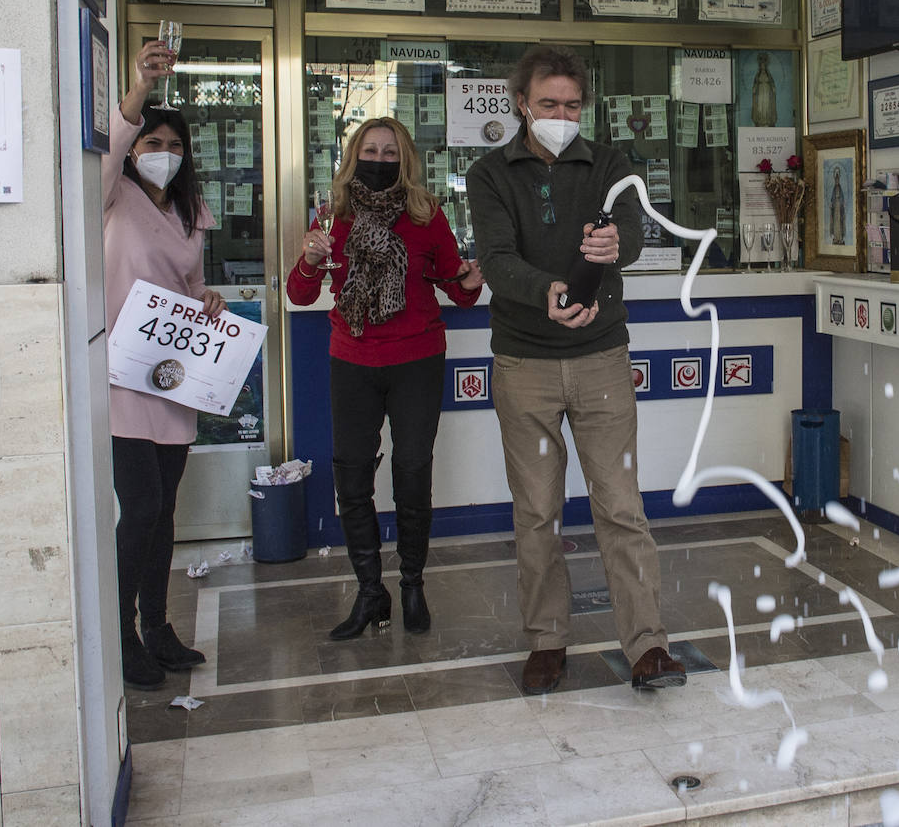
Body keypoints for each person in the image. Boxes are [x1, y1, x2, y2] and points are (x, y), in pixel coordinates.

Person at [467, 45, 686, 695]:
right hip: (525, 365)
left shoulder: (608, 163)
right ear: (521, 104)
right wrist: (549, 293)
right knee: (537, 512)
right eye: (547, 105)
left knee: (620, 507)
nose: (560, 116)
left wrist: (617, 242)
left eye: (570, 105)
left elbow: (632, 227)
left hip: (601, 364)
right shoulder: (489, 174)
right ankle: (547, 641)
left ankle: (647, 646)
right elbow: (497, 260)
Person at [288, 117, 483, 640]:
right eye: (371, 151)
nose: (380, 160)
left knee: (413, 471)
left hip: (417, 358)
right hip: (351, 358)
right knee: (352, 477)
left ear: (406, 161)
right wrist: (309, 261)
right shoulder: (333, 218)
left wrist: (470, 279)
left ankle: (413, 584)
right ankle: (371, 593)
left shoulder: (427, 215)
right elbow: (300, 295)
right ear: (354, 157)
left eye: (390, 153)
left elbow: (457, 289)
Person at [104, 40, 224, 689]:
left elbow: (192, 286)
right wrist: (141, 86)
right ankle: (122, 635)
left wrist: (206, 300)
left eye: (174, 147)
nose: (163, 156)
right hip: (122, 381)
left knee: (165, 509)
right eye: (153, 145)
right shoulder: (112, 196)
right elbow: (120, 129)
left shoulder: (188, 212)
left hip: (170, 379)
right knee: (142, 508)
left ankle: (158, 627)